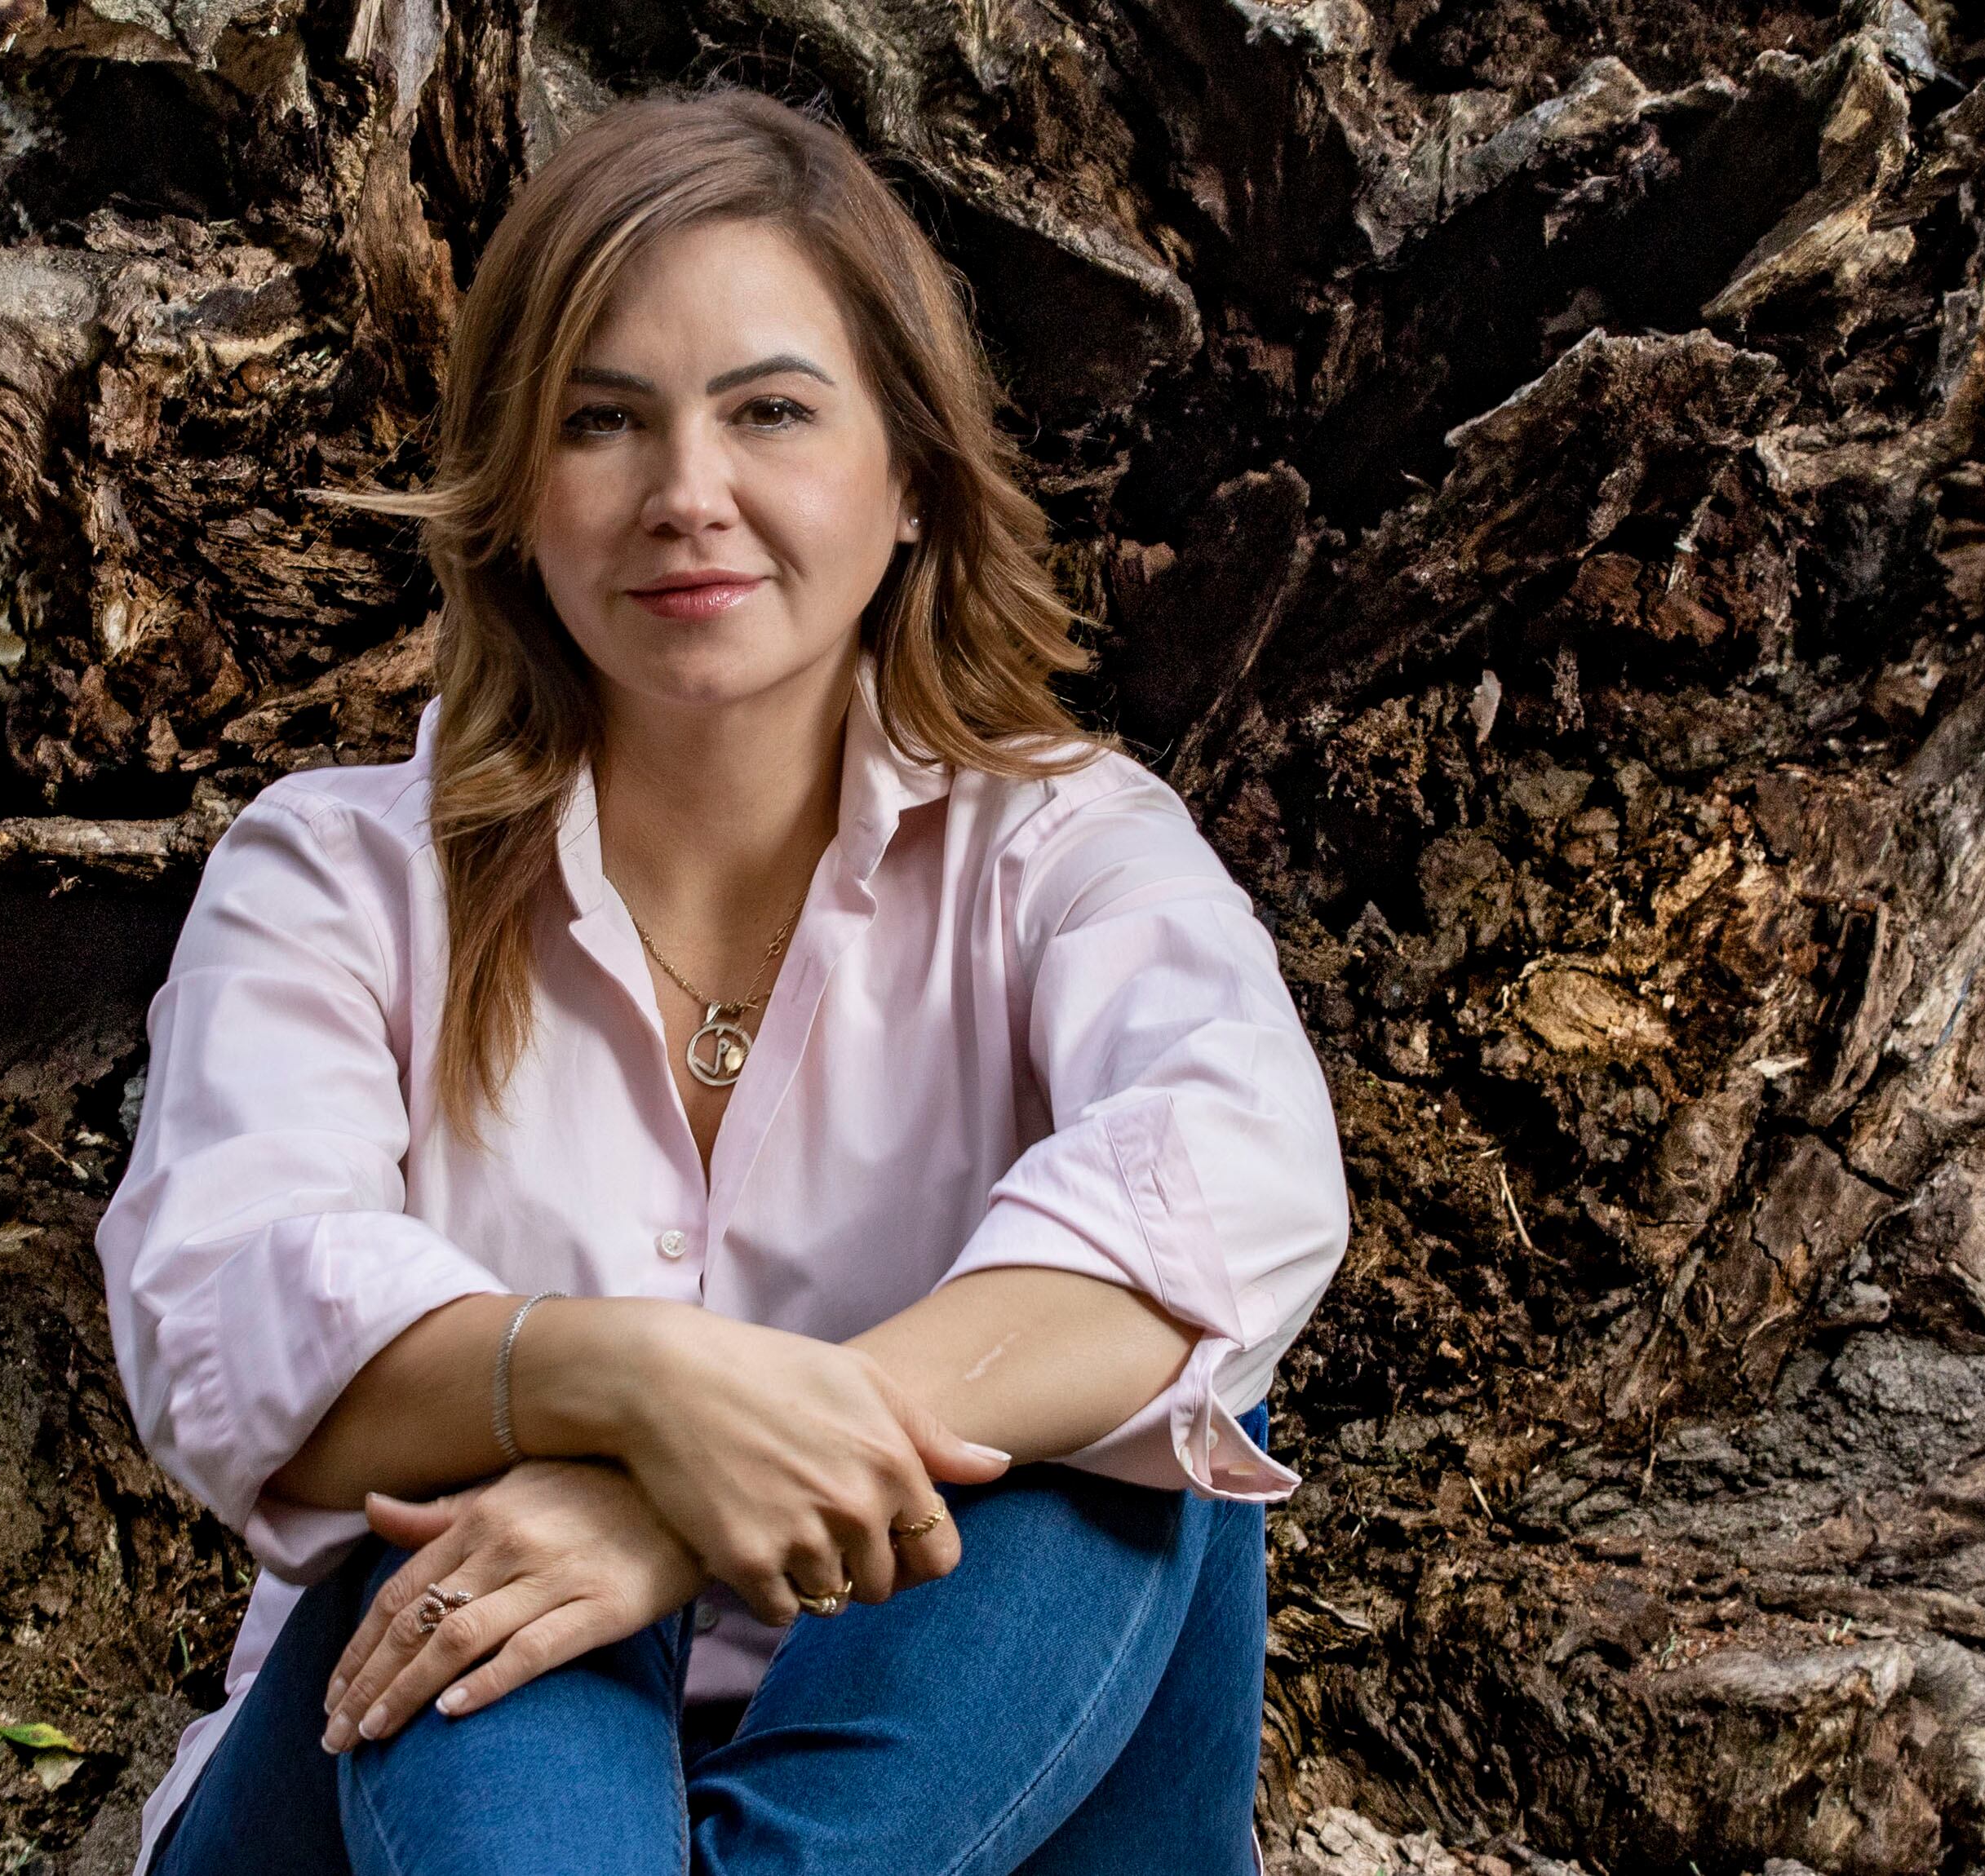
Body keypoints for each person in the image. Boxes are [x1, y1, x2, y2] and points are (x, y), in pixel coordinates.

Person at [96, 84, 1349, 1876]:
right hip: (424, 1785)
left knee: (1128, 1430)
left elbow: (1237, 1178)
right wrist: (631, 1387)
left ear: (908, 474)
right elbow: (225, 1318)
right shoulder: (334, 875)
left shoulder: (1061, 848)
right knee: (454, 1555)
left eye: (769, 409)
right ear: (520, 491)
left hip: (950, 1762)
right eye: (605, 422)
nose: (691, 496)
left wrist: (657, 1512)